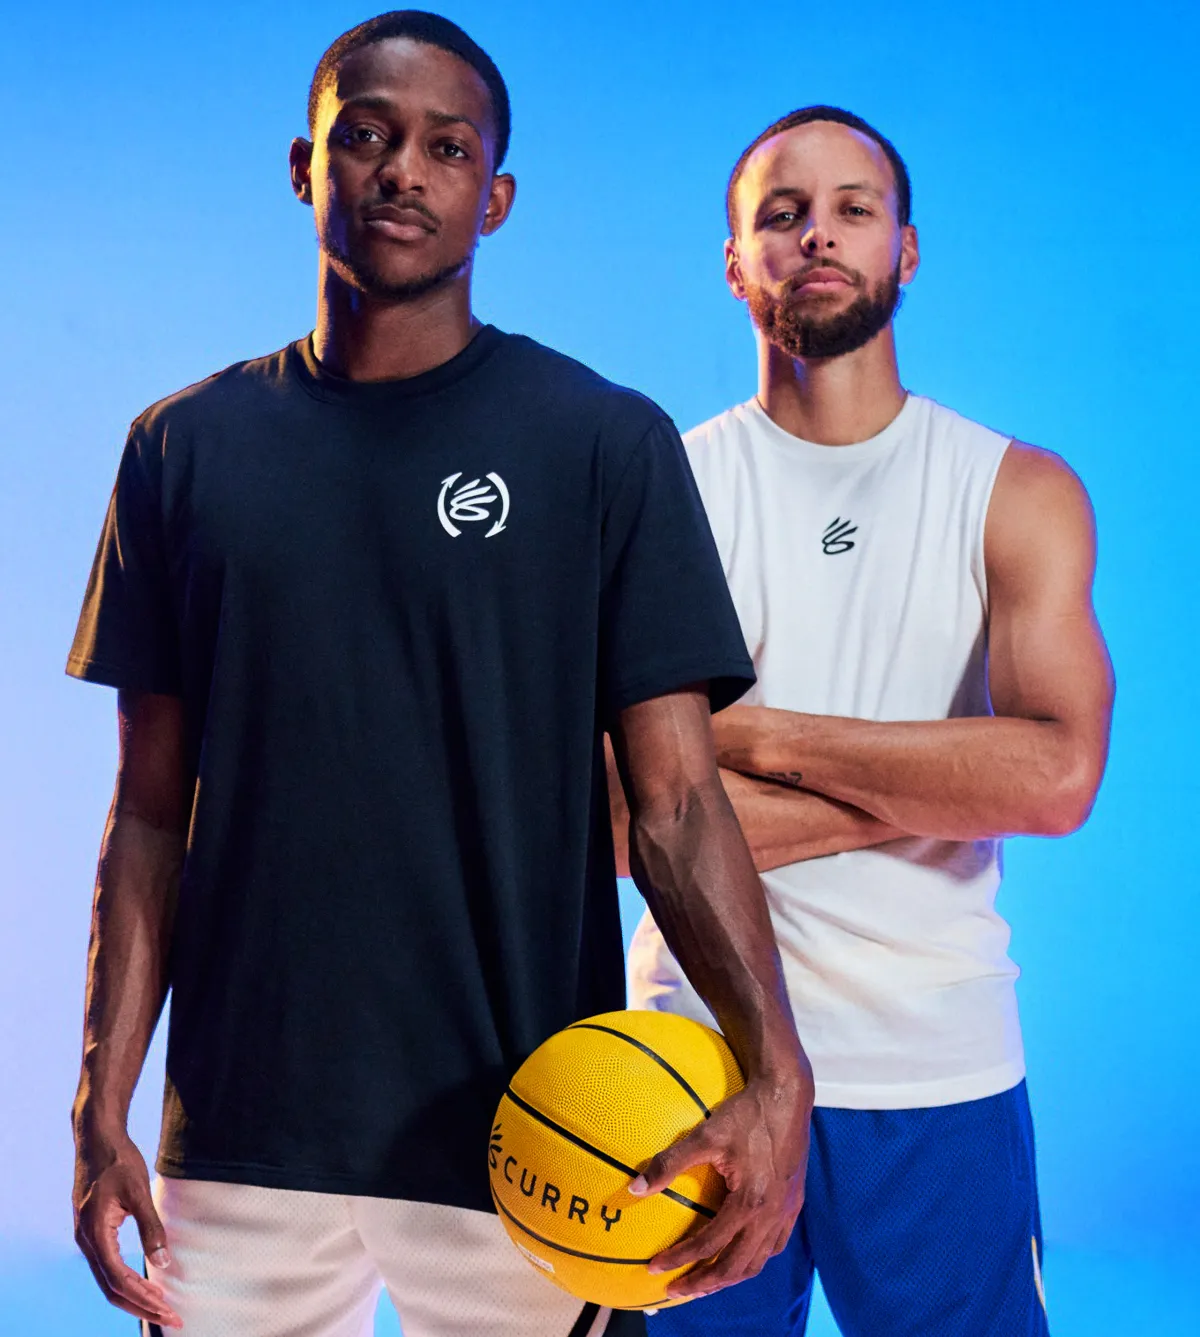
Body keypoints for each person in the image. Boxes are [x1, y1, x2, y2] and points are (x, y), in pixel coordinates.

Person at [66, 15, 814, 1336]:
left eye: (445, 146)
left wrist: (779, 1070)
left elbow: (679, 805)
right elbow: (145, 815)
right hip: (244, 1129)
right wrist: (99, 1097)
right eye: (367, 134)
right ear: (307, 166)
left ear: (495, 197)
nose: (402, 168)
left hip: (539, 1129)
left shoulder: (602, 443)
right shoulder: (182, 451)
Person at [619, 106, 1115, 1336]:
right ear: (736, 261)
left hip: (937, 1061)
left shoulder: (1016, 489)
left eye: (853, 208)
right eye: (781, 215)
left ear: (906, 247)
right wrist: (938, 784)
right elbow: (616, 822)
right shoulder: (660, 494)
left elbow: (1054, 777)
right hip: (691, 1060)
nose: (818, 235)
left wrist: (748, 736)